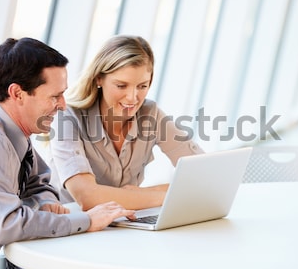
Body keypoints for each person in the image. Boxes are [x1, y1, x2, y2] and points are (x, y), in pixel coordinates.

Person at [0, 37, 135, 269]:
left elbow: (39, 183)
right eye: (54, 96)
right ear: (17, 93)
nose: (62, 105)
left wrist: (46, 202)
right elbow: (3, 225)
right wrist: (87, 221)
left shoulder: (7, 127)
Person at [49, 35, 204, 211]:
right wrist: (164, 195)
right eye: (121, 86)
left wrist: (143, 194)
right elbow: (87, 197)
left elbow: (203, 172)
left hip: (123, 225)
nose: (132, 98)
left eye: (142, 86)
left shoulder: (150, 114)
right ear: (99, 78)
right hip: (72, 227)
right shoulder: (67, 117)